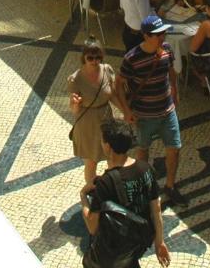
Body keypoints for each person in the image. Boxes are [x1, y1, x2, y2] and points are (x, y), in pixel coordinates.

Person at [114, 15, 188, 207]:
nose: (162, 37)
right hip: (144, 115)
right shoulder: (132, 58)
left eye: (163, 33)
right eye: (157, 34)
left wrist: (174, 90)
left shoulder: (167, 50)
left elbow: (170, 70)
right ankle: (145, 188)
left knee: (175, 148)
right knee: (143, 151)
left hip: (167, 112)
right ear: (145, 36)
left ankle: (170, 186)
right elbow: (119, 84)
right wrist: (126, 110)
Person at [80, 119, 170, 268]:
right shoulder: (146, 169)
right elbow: (156, 208)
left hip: (116, 247)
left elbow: (92, 226)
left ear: (108, 146)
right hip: (137, 243)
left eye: (102, 141)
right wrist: (159, 241)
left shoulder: (105, 182)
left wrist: (83, 196)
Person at [67, 39, 119, 190]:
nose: (95, 61)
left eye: (98, 58)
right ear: (83, 57)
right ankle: (92, 191)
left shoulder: (107, 70)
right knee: (91, 161)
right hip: (87, 124)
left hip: (106, 119)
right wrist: (75, 103)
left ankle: (113, 188)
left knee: (112, 156)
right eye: (90, 58)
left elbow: (113, 95)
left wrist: (126, 111)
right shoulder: (75, 79)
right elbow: (74, 110)